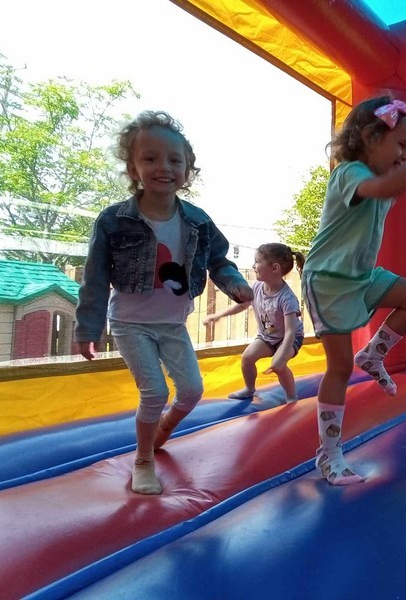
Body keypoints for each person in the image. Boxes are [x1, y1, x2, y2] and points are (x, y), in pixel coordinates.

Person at [74, 110, 253, 495]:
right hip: (130, 322)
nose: (164, 168)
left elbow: (219, 260)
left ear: (188, 169)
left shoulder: (197, 220)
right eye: (151, 158)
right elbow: (95, 276)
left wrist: (235, 283)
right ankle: (143, 460)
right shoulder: (114, 220)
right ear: (133, 167)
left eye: (175, 160)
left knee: (191, 391)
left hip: (172, 323)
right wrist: (88, 327)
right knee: (155, 392)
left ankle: (162, 429)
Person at [301, 96, 406, 485]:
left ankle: (373, 354)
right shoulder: (349, 173)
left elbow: (391, 183)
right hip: (329, 280)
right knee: (339, 367)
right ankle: (329, 454)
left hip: (362, 276)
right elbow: (385, 185)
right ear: (371, 137)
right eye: (401, 145)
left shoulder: (381, 178)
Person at [203, 243, 306, 404]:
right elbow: (242, 305)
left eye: (257, 261)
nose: (253, 265)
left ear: (275, 268)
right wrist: (218, 315)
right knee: (247, 357)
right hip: (267, 336)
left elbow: (290, 332)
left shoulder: (287, 298)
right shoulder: (257, 287)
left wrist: (281, 357)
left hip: (290, 338)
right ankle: (249, 389)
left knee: (278, 365)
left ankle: (292, 398)